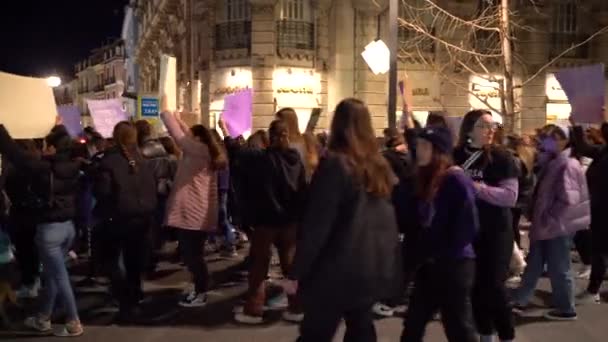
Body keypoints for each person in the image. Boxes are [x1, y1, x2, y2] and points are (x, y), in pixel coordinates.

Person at [287, 98, 402, 342]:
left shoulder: (336, 165)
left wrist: (297, 271)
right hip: (369, 267)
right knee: (361, 328)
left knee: (316, 332)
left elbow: (318, 225)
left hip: (336, 269)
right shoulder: (379, 165)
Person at [220, 118, 307, 325]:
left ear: (269, 137)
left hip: (266, 221)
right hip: (290, 221)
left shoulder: (261, 159)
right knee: (290, 266)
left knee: (259, 266)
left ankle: (254, 309)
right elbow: (303, 189)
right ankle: (296, 307)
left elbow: (236, 150)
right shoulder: (296, 160)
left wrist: (225, 131)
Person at [0, 124, 83, 337]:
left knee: (59, 276)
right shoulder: (73, 165)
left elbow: (15, 154)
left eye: (46, 145)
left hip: (50, 231)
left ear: (53, 148)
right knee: (53, 275)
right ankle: (43, 317)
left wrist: (1, 131)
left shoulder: (44, 168)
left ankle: (73, 321)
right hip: (68, 228)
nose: (44, 148)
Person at [401, 126, 478, 342]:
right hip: (430, 264)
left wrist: (443, 249)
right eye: (418, 146)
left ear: (439, 151)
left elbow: (468, 224)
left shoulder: (455, 180)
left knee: (458, 327)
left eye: (426, 147)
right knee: (413, 323)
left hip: (455, 264)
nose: (420, 151)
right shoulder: (423, 178)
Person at [512, 124, 590, 320]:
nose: (547, 141)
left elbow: (568, 200)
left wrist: (548, 218)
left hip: (556, 227)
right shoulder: (555, 162)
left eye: (553, 137)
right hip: (548, 225)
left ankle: (566, 308)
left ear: (564, 140)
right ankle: (520, 300)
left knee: (559, 267)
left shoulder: (566, 165)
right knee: (534, 264)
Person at [453, 110, 518, 342]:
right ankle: (485, 334)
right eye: (483, 126)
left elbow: (510, 196)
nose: (490, 130)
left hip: (496, 232)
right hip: (467, 231)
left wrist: (475, 187)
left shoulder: (502, 157)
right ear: (469, 129)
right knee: (475, 287)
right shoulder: (456, 155)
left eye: (493, 126)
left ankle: (507, 335)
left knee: (494, 287)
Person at [160, 109, 225, 308]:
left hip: (192, 214)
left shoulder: (197, 151)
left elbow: (177, 134)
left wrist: (165, 111)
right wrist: (180, 119)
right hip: (199, 212)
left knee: (192, 256)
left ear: (197, 139)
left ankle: (201, 291)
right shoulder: (206, 150)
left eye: (191, 136)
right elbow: (186, 133)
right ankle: (200, 286)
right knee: (194, 254)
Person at [94, 121, 158, 322]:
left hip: (117, 219)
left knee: (111, 261)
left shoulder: (108, 162)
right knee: (134, 262)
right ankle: (134, 296)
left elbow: (103, 193)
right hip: (142, 218)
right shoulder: (143, 161)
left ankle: (125, 300)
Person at [570, 120, 608, 305]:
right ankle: (593, 289)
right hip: (598, 209)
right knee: (599, 250)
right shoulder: (602, 151)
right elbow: (584, 147)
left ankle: (593, 290)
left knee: (600, 251)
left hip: (601, 209)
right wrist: (576, 125)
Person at [134, 120, 175, 275]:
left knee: (147, 230)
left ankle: (148, 261)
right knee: (156, 228)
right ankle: (153, 259)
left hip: (147, 194)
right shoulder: (161, 148)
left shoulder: (140, 151)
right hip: (162, 191)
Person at [5, 141, 41, 299]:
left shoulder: (12, 169)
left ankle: (29, 283)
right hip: (36, 214)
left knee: (25, 251)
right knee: (33, 250)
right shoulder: (41, 166)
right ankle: (36, 281)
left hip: (20, 215)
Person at [276, 108, 319, 179]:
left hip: (303, 181)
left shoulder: (306, 139)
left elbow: (314, 162)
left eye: (279, 122)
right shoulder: (279, 140)